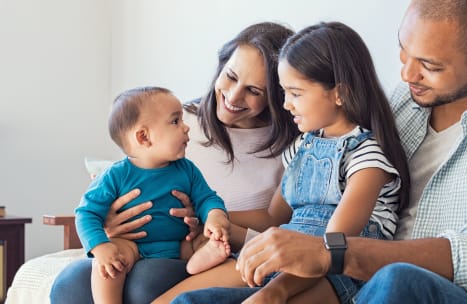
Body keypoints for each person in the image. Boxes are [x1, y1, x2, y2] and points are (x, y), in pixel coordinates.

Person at [173, 1, 467, 303]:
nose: (408, 74)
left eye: (430, 66)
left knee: (397, 282)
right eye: (403, 51)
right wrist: (212, 215)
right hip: (355, 276)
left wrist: (331, 253)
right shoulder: (405, 101)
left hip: (434, 290)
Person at [153, 21, 410, 304]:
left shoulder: (367, 158)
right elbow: (274, 218)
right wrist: (209, 215)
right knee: (179, 300)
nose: (286, 104)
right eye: (284, 92)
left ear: (340, 93)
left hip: (333, 273)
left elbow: (332, 249)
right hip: (282, 251)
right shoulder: (302, 146)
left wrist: (273, 294)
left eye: (295, 94)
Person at [50, 22, 299, 304]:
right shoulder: (176, 120)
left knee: (144, 283)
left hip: (208, 246)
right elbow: (128, 180)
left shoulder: (293, 146)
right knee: (70, 283)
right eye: (230, 76)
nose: (233, 96)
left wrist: (209, 217)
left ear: (279, 95)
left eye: (254, 91)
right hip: (141, 241)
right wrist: (106, 228)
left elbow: (279, 222)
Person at [75, 86, 232, 303]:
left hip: (180, 244)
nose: (186, 127)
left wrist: (215, 216)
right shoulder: (116, 175)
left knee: (207, 240)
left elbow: (207, 198)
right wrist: (101, 247)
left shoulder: (186, 169)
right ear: (143, 137)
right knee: (109, 265)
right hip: (134, 247)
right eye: (175, 121)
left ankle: (199, 260)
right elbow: (86, 213)